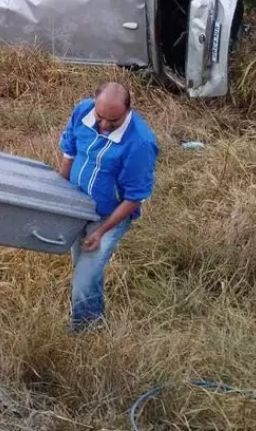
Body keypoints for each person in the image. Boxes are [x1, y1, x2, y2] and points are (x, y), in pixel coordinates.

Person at [57, 81, 158, 333]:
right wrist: (58, 194)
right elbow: (69, 150)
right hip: (76, 204)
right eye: (100, 118)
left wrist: (101, 232)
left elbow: (135, 196)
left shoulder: (140, 143)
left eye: (112, 122)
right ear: (95, 102)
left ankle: (82, 332)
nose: (103, 125)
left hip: (108, 216)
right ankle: (95, 323)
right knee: (85, 268)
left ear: (127, 111)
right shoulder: (83, 111)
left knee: (83, 279)